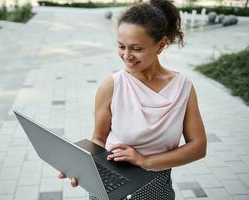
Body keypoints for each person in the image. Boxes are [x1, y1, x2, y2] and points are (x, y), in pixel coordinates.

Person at [58, 0, 207, 199]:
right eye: (121, 46)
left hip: (158, 189)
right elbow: (98, 140)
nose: (127, 56)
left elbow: (198, 147)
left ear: (161, 45)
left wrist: (145, 161)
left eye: (137, 49)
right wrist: (82, 168)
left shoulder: (183, 88)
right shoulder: (111, 86)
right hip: (111, 184)